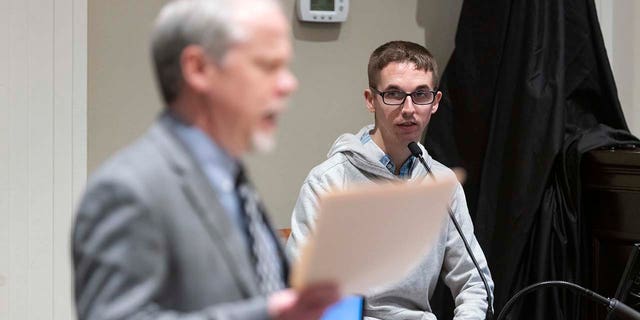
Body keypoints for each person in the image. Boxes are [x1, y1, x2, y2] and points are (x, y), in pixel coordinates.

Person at [72, 0, 339, 319]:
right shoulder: (126, 189)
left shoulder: (231, 179)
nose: (288, 84)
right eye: (268, 66)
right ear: (198, 68)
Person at [286, 41, 494, 320]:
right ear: (370, 100)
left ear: (435, 103)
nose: (408, 108)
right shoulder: (329, 182)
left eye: (421, 94)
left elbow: (475, 281)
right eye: (394, 94)